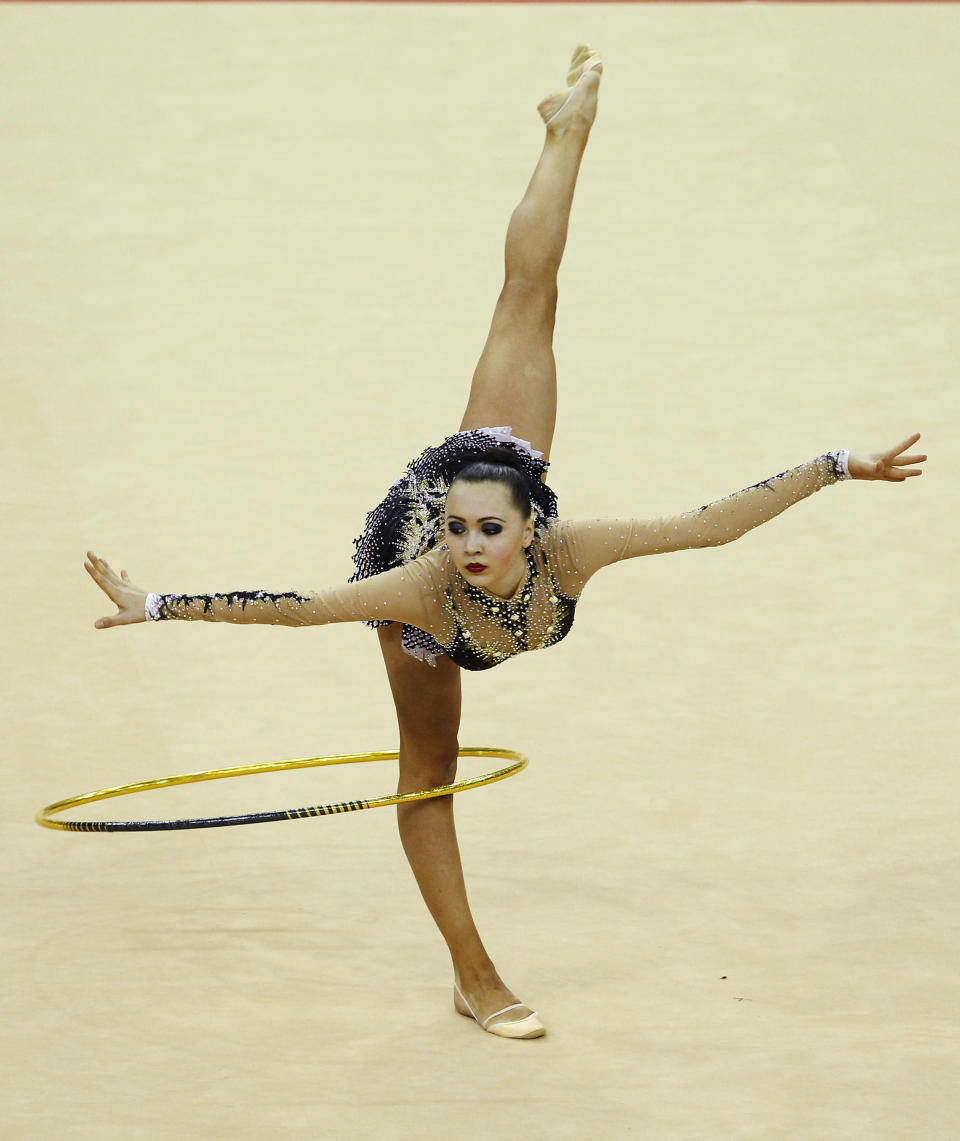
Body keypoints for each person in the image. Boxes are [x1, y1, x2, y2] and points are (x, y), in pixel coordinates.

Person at [83, 46, 926, 1040]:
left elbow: (710, 526)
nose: (472, 547)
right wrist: (153, 603)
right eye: (461, 530)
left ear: (534, 519)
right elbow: (300, 607)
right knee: (428, 771)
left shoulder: (567, 544)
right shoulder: (422, 585)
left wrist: (838, 462)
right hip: (428, 604)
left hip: (483, 455)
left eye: (490, 530)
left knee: (532, 296)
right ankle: (474, 974)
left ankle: (566, 127)